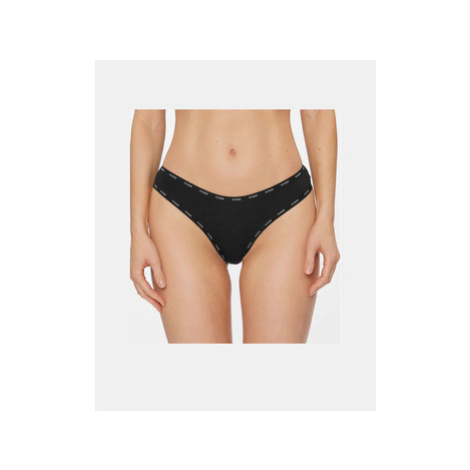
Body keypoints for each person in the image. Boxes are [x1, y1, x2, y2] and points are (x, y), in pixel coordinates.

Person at [130, 110, 340, 343]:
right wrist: (137, 232)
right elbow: (148, 119)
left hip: (283, 213)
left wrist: (326, 219)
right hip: (183, 216)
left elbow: (317, 112)